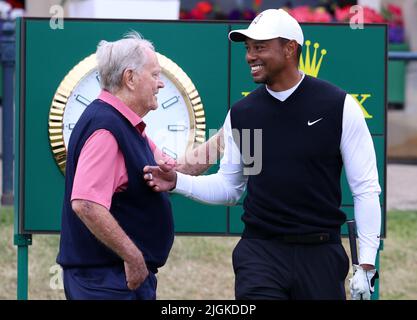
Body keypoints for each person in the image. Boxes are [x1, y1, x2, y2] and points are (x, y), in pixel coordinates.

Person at [144, 9, 381, 300]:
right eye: (247, 48)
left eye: (260, 47)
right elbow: (230, 187)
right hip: (260, 254)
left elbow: (366, 189)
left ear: (290, 48)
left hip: (321, 254)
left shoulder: (338, 107)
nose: (250, 56)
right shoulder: (245, 114)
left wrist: (366, 264)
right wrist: (177, 181)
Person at [56, 31, 177, 300]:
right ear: (130, 78)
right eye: (155, 75)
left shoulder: (124, 123)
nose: (161, 85)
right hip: (107, 281)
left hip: (116, 279)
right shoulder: (106, 128)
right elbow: (85, 204)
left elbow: (174, 169)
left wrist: (224, 139)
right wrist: (133, 257)